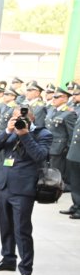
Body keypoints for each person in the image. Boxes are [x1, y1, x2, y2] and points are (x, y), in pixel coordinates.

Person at [0, 105, 52, 275]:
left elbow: (40, 155)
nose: (18, 122)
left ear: (31, 119)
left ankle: (26, 271)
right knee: (5, 225)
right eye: (15, 118)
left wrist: (24, 134)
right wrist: (8, 130)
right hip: (4, 185)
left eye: (21, 119)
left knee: (22, 231)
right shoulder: (11, 131)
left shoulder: (43, 134)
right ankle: (8, 259)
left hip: (23, 189)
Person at [45, 86, 77, 187]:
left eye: (57, 97)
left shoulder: (69, 113)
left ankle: (56, 187)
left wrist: (67, 148)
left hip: (59, 146)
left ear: (65, 98)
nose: (53, 99)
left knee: (56, 169)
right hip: (48, 144)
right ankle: (48, 185)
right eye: (53, 97)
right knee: (48, 167)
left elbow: (71, 134)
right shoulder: (51, 110)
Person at [62, 83, 80, 219]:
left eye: (76, 94)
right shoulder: (76, 109)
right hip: (75, 152)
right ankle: (76, 205)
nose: (74, 96)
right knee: (75, 181)